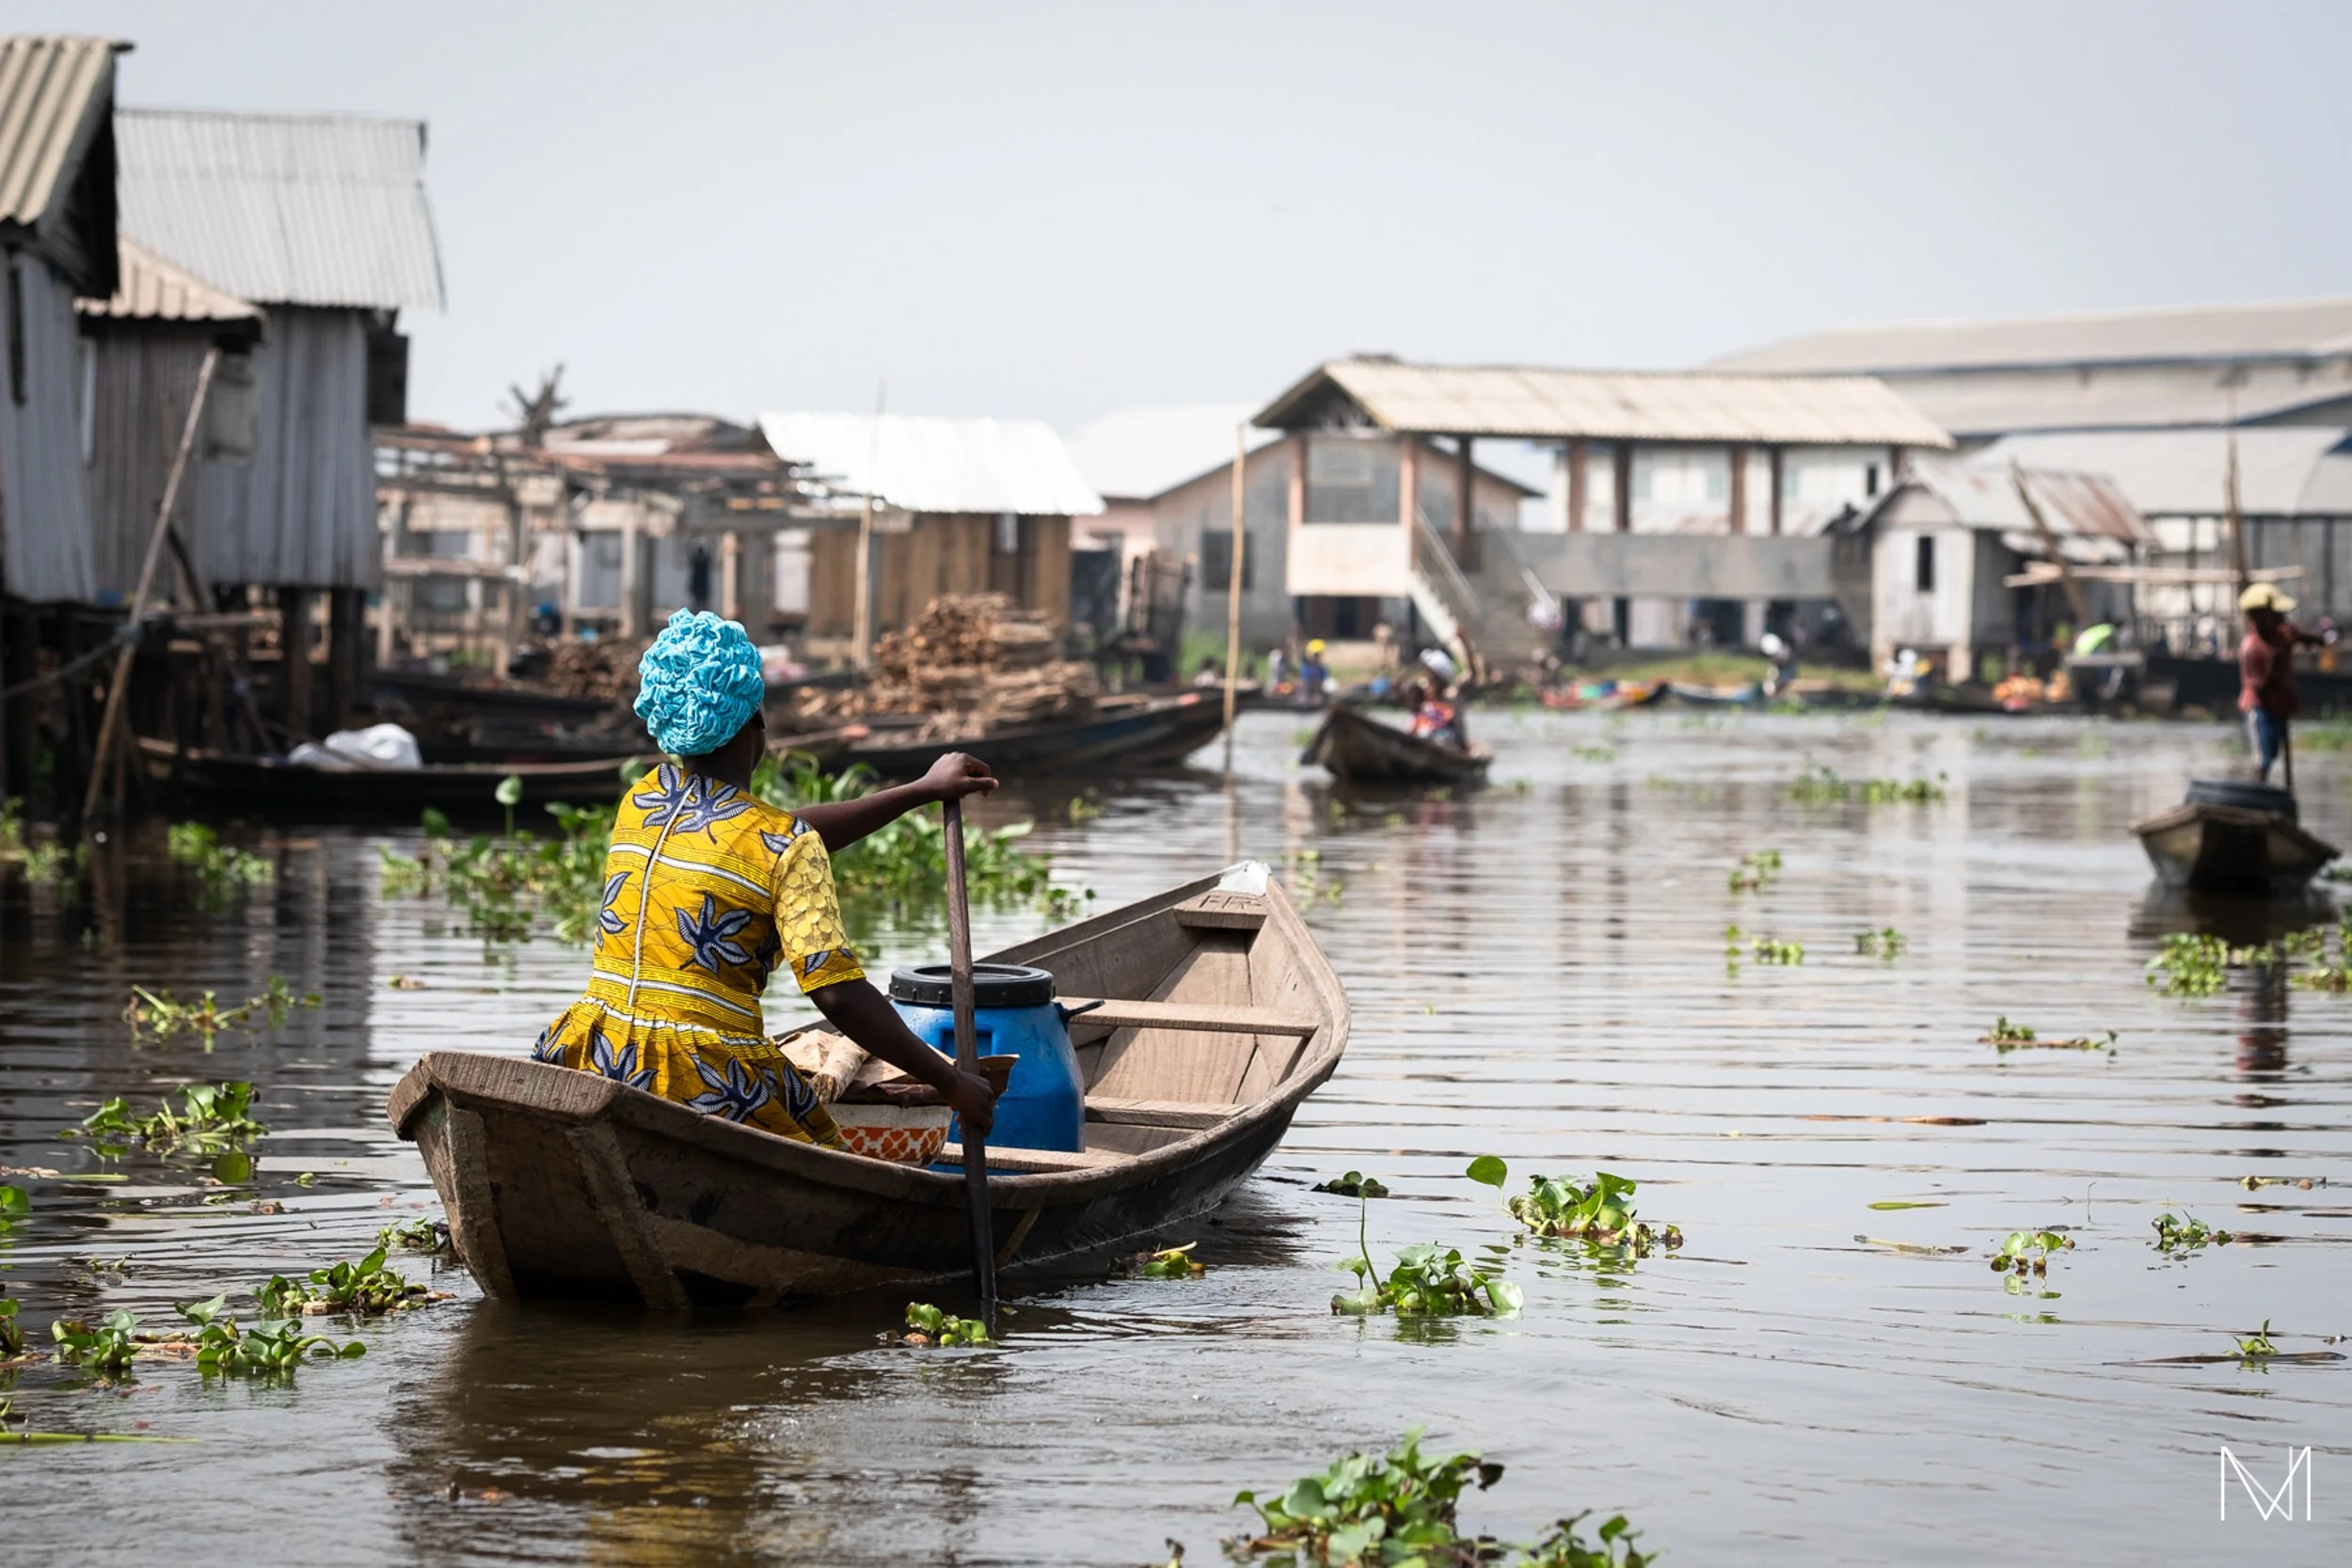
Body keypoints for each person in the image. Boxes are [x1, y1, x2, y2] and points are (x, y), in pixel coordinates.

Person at [531, 610, 998, 1147]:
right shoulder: (782, 844)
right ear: (756, 718)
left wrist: (919, 790)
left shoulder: (643, 800)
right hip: (704, 1078)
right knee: (823, 1154)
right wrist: (952, 1082)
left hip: (594, 1052)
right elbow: (839, 996)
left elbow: (768, 834)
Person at [2239, 583, 2323, 785]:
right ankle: (2256, 796)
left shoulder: (2282, 633)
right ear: (2261, 617)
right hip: (2259, 707)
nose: (2282, 617)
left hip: (2278, 706)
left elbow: (2304, 636)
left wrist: (2319, 640)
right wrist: (2273, 665)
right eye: (2276, 613)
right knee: (2263, 757)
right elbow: (2260, 687)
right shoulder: (2253, 649)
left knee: (2275, 752)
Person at [1405, 677, 1465, 749]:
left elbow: (1447, 720)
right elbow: (1412, 728)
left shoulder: (1443, 706)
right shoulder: (1419, 710)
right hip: (1425, 738)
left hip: (1441, 737)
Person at [1300, 639, 1330, 705]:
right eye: (1315, 656)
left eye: (1318, 656)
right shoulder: (1306, 667)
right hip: (1307, 689)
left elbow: (1324, 680)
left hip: (1318, 690)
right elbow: (1304, 680)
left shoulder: (1322, 668)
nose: (1316, 659)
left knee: (1318, 698)